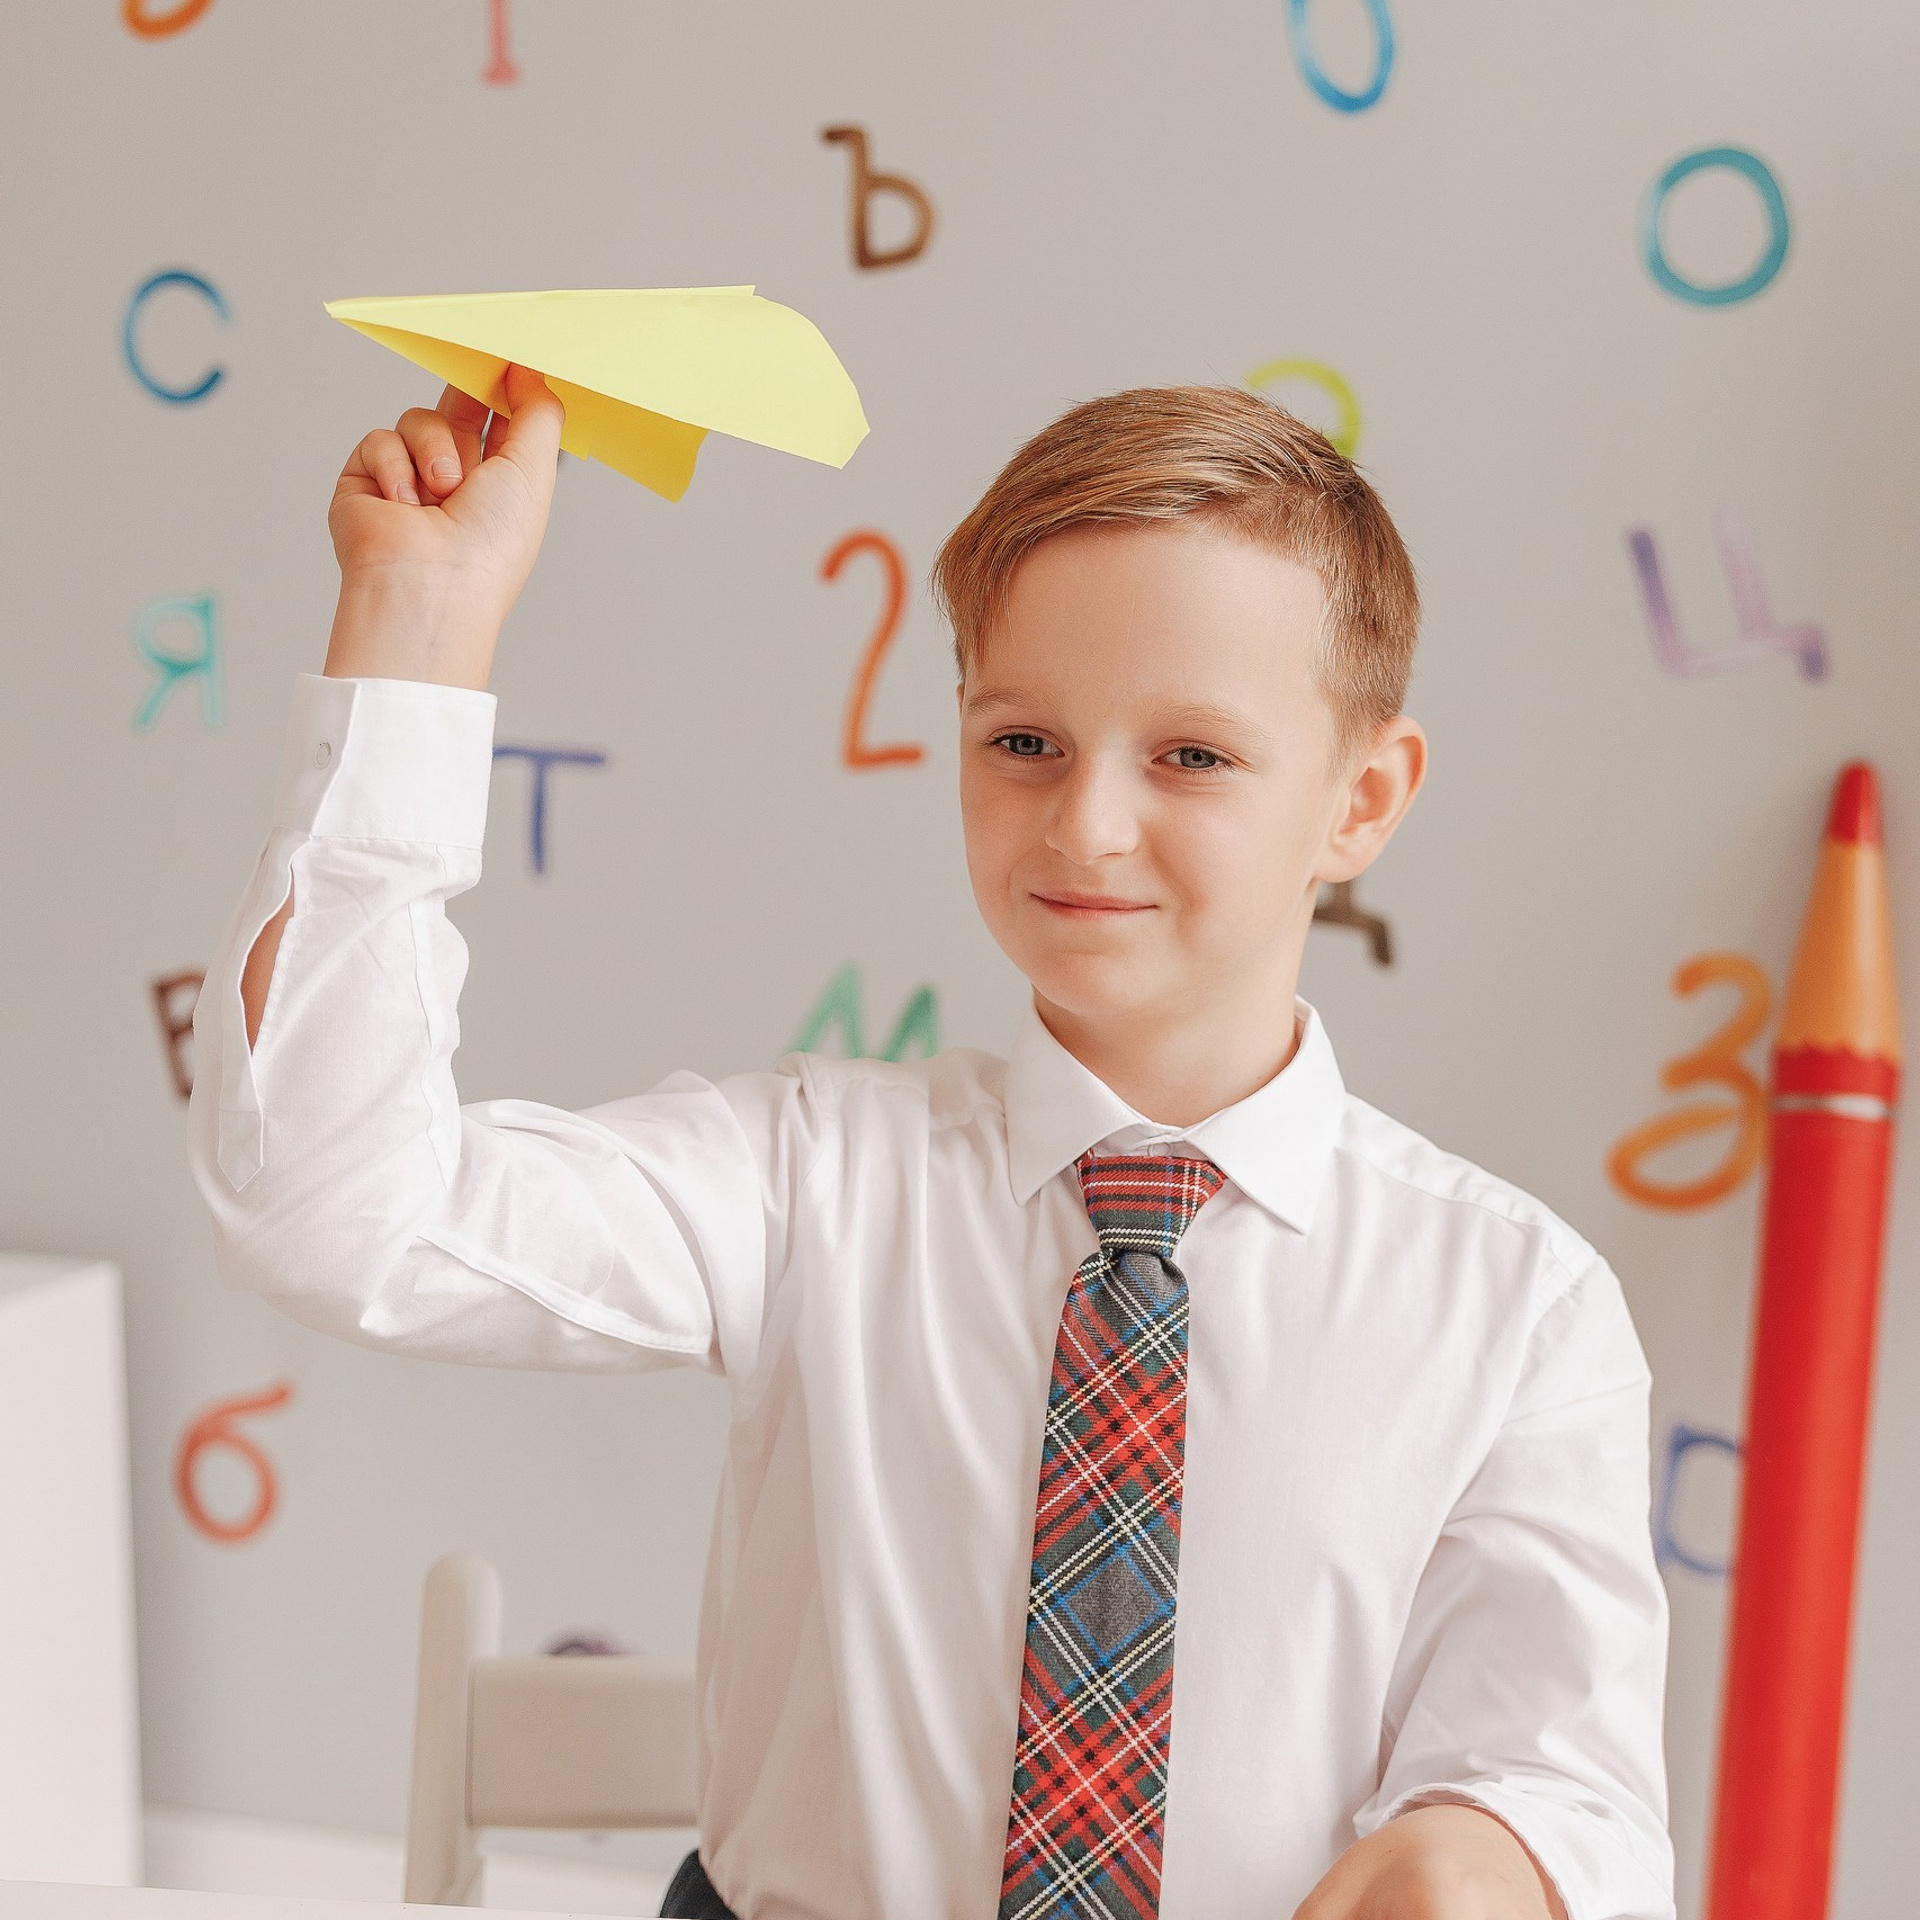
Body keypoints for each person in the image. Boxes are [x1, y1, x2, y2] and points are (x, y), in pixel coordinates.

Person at [188, 366, 1674, 1920]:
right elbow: (331, 1210)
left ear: (1361, 799)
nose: (1087, 824)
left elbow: (1566, 1787)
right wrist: (416, 631)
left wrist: (1486, 1858)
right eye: (1024, 741)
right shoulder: (810, 1179)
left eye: (1192, 757)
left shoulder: (1519, 1311)